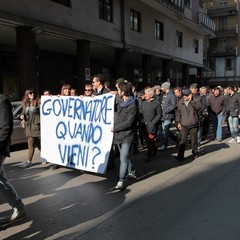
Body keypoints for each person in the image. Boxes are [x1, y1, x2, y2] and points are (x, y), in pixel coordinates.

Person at [0, 93, 26, 225]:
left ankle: (19, 207)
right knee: (2, 179)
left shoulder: (2, 100)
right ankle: (19, 207)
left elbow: (6, 128)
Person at [112, 82, 138, 190]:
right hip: (118, 135)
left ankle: (120, 180)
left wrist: (115, 128)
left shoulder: (133, 105)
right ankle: (132, 171)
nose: (117, 92)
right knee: (125, 156)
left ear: (123, 92)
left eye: (118, 90)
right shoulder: (119, 102)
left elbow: (128, 123)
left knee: (123, 158)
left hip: (127, 135)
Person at [175, 88, 202, 161]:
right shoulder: (180, 102)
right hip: (184, 125)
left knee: (194, 141)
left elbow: (198, 108)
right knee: (182, 141)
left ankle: (195, 153)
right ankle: (180, 156)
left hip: (193, 124)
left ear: (190, 95)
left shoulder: (196, 100)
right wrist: (178, 122)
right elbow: (177, 113)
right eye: (183, 95)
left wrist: (191, 101)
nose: (184, 97)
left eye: (186, 95)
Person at [19, 88, 42, 168]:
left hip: (36, 125)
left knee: (30, 142)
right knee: (37, 143)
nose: (32, 95)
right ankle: (47, 156)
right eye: (30, 93)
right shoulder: (25, 103)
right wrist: (22, 116)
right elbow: (23, 113)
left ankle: (29, 161)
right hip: (28, 126)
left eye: (33, 93)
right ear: (27, 94)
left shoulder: (38, 101)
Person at [140, 88, 162, 162]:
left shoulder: (156, 103)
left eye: (147, 94)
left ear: (151, 95)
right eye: (145, 94)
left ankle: (148, 155)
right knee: (147, 140)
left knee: (150, 140)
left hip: (152, 124)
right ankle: (154, 149)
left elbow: (159, 114)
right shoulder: (143, 103)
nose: (145, 95)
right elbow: (141, 112)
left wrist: (153, 122)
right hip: (144, 124)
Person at [160, 81, 178, 150]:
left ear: (165, 87)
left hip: (168, 116)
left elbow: (173, 105)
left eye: (162, 87)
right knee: (166, 131)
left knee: (165, 130)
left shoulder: (172, 95)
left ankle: (165, 145)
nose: (161, 88)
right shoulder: (165, 95)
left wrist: (165, 110)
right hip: (163, 116)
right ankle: (176, 139)